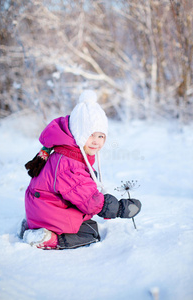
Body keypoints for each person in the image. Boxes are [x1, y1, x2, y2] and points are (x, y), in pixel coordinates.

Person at [20, 90, 141, 250]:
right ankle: (46, 238)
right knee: (90, 231)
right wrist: (119, 209)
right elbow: (90, 201)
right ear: (78, 134)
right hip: (46, 211)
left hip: (42, 206)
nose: (96, 142)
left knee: (85, 220)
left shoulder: (69, 151)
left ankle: (34, 225)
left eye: (101, 136)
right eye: (91, 135)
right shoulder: (69, 163)